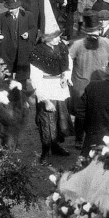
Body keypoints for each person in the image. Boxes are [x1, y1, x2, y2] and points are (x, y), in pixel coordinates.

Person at [67, 11, 109, 146]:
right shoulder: (78, 45)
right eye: (90, 34)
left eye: (94, 33)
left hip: (98, 86)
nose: (93, 37)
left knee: (93, 113)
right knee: (83, 114)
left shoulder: (106, 44)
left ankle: (89, 139)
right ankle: (80, 139)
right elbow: (67, 61)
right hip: (82, 86)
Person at [29, 29, 73, 164]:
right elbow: (35, 79)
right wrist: (45, 100)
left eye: (59, 36)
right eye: (55, 37)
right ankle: (45, 151)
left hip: (59, 89)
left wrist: (65, 77)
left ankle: (55, 146)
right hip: (46, 89)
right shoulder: (37, 53)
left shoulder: (61, 48)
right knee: (47, 122)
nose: (59, 39)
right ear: (46, 38)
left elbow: (68, 64)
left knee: (60, 120)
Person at [0, 0, 38, 85]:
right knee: (7, 76)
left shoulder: (27, 15)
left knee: (22, 77)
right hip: (7, 51)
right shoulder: (2, 17)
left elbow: (34, 29)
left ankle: (22, 93)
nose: (10, 10)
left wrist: (28, 34)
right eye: (8, 8)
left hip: (23, 51)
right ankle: (8, 92)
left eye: (12, 8)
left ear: (18, 7)